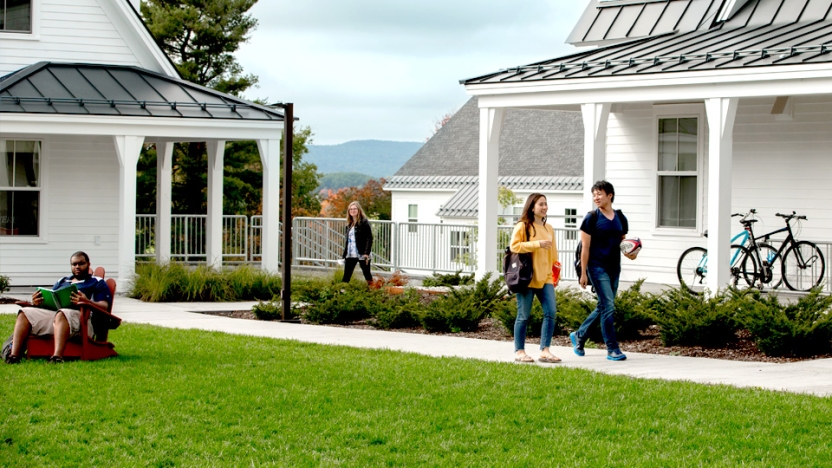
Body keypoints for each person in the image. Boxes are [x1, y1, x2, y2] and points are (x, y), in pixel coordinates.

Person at [570, 180, 637, 361]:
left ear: (610, 195)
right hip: (596, 267)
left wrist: (631, 254)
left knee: (604, 306)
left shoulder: (620, 218)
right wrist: (583, 273)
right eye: (594, 194)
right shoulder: (591, 218)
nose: (596, 197)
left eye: (599, 194)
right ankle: (612, 348)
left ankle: (579, 335)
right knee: (608, 306)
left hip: (614, 267)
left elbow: (623, 243)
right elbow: (585, 248)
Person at [4, 251, 112, 364]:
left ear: (88, 264)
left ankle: (57, 357)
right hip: (57, 317)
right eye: (74, 264)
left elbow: (104, 307)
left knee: (62, 313)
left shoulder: (96, 282)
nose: (77, 267)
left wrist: (87, 301)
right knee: (24, 312)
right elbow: (52, 299)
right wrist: (37, 302)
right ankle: (14, 356)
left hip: (82, 321)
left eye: (81, 264)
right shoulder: (63, 281)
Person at [510, 193, 560, 363]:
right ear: (532, 207)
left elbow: (553, 254)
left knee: (551, 312)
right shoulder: (523, 226)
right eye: (541, 204)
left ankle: (545, 350)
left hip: (545, 277)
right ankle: (519, 351)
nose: (545, 207)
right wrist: (537, 244)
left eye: (546, 204)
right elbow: (514, 246)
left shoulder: (549, 228)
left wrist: (555, 274)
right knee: (523, 315)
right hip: (527, 277)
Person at [341, 201, 373, 284]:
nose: (352, 210)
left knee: (367, 274)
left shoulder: (364, 222)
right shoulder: (349, 224)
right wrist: (344, 255)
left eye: (354, 209)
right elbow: (348, 241)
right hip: (351, 253)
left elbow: (369, 238)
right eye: (350, 209)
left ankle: (373, 290)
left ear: (359, 210)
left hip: (362, 253)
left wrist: (366, 253)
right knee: (346, 275)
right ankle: (342, 291)